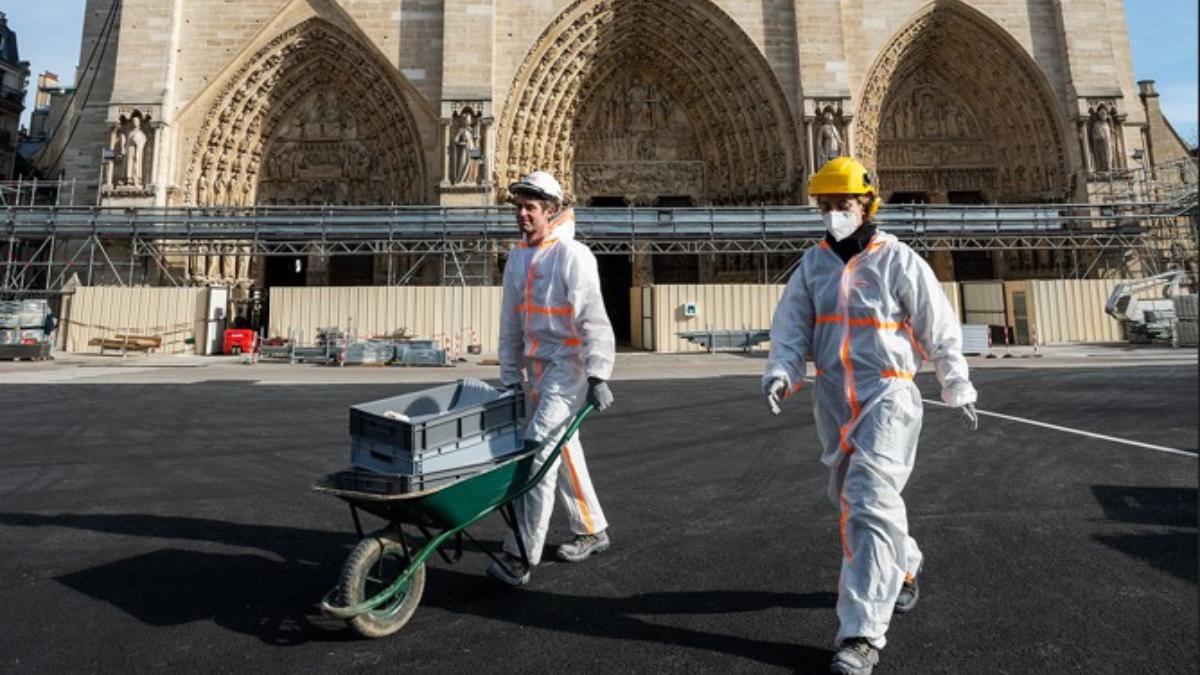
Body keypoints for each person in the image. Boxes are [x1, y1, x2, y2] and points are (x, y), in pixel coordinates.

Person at [762, 157, 979, 675]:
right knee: (851, 500)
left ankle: (860, 634)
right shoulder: (812, 266)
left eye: (844, 204)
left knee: (865, 501)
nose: (834, 212)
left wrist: (956, 381)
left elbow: (937, 325)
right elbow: (792, 331)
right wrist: (781, 372)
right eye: (826, 205)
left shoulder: (898, 260)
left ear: (867, 204)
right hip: (834, 399)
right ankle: (902, 564)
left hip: (889, 395)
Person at [489, 170, 616, 587]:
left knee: (537, 450)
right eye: (519, 207)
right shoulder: (517, 258)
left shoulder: (572, 255)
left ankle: (520, 553)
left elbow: (593, 319)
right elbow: (510, 325)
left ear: (552, 210)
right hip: (537, 370)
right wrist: (510, 377)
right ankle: (591, 528)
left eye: (530, 207)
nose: (522, 214)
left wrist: (599, 374)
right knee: (563, 447)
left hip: (570, 367)